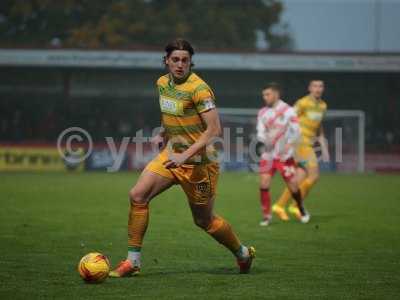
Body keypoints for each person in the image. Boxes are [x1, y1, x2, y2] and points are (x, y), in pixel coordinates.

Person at [109, 39, 255, 277]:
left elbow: (214, 130)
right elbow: (170, 113)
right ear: (166, 60)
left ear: (190, 63)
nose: (179, 65)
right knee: (137, 195)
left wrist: (184, 155)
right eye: (175, 59)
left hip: (199, 165)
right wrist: (162, 133)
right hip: (171, 157)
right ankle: (132, 261)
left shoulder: (199, 89)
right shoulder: (162, 83)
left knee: (204, 221)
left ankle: (243, 254)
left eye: (184, 60)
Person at [272, 80, 329, 221]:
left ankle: (279, 206)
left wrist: (324, 146)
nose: (318, 89)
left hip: (309, 143)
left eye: (320, 86)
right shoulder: (303, 103)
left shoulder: (322, 106)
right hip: (300, 142)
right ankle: (296, 206)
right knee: (314, 176)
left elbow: (319, 128)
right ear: (309, 88)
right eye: (315, 86)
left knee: (298, 178)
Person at [256, 82, 310, 226]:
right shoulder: (262, 112)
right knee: (264, 183)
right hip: (268, 155)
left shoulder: (288, 110)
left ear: (276, 94)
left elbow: (296, 131)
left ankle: (301, 207)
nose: (265, 97)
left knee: (293, 186)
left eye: (267, 94)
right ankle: (266, 215)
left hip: (284, 156)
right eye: (263, 95)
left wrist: (289, 145)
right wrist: (264, 139)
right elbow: (260, 132)